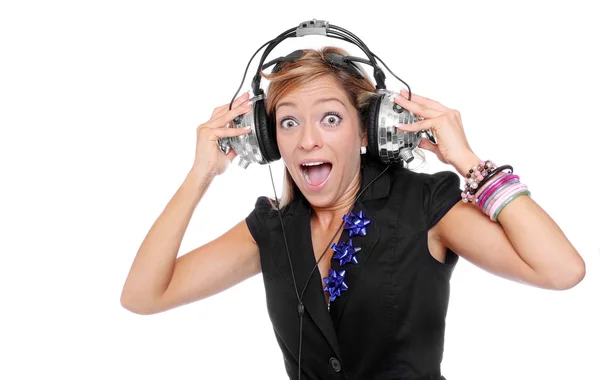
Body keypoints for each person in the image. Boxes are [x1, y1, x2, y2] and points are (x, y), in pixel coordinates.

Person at [120, 46, 586, 379]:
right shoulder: (273, 230)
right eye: (288, 122)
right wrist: (200, 174)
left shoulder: (426, 207)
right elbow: (143, 296)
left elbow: (561, 270)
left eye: (329, 118)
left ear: (366, 130)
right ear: (268, 141)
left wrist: (467, 161)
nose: (307, 141)